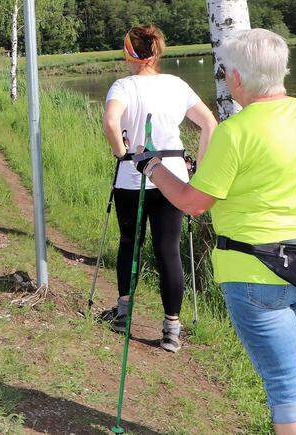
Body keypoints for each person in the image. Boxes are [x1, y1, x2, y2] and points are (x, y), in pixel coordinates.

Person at [141, 28, 296, 434]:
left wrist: (153, 168)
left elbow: (194, 203)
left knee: (288, 388)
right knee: (287, 376)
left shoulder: (235, 133)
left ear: (235, 78)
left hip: (255, 278)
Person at [101, 25, 218, 353]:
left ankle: (123, 313)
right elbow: (210, 123)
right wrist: (199, 170)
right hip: (174, 178)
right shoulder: (176, 85)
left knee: (130, 244)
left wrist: (121, 153)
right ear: (156, 53)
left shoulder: (123, 86)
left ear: (129, 53)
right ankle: (171, 330)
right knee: (168, 251)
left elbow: (111, 123)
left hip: (132, 177)